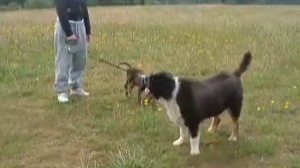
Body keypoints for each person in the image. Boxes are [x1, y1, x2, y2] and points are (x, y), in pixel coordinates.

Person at [54, 0, 91, 103]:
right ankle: (61, 91)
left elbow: (84, 7)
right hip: (65, 25)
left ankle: (75, 87)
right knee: (63, 60)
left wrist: (88, 30)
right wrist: (69, 33)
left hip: (80, 24)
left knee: (80, 59)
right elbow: (60, 9)